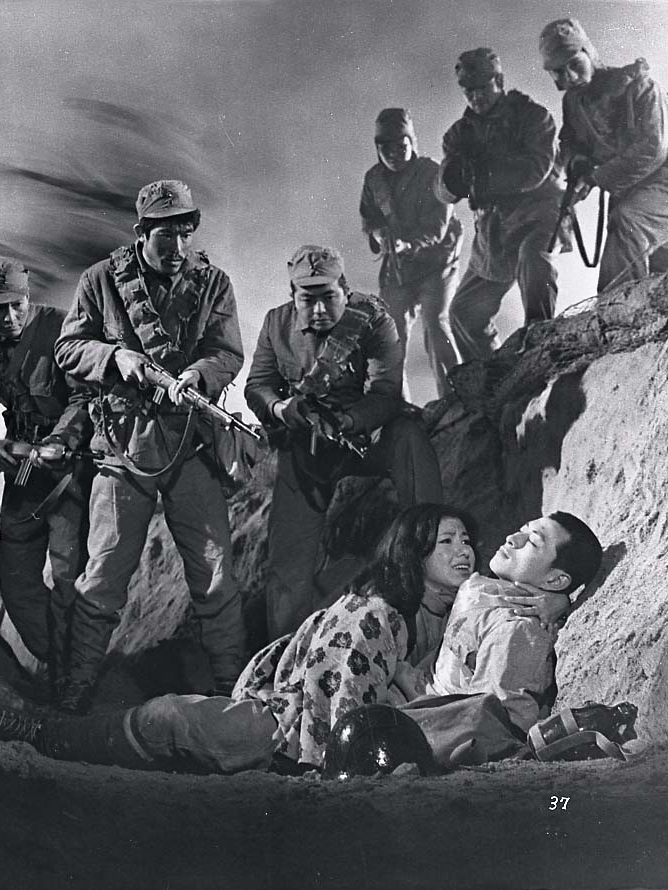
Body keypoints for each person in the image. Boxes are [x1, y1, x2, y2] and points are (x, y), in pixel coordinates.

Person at [0, 504, 534, 774]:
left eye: (466, 540)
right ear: (413, 553)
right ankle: (37, 729)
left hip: (356, 733)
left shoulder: (454, 609)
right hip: (289, 726)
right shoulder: (377, 612)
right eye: (445, 542)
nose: (464, 551)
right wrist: (323, 761)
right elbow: (331, 690)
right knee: (169, 718)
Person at [52, 179, 246, 714]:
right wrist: (116, 359)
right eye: (166, 236)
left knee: (215, 574)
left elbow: (227, 352)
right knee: (104, 574)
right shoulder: (101, 280)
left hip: (190, 443)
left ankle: (233, 688)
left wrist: (199, 374)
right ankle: (76, 687)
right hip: (122, 445)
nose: (178, 247)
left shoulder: (213, 284)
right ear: (142, 232)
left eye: (186, 233)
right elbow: (69, 347)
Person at [245, 244, 443, 639]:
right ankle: (285, 650)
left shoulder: (373, 320)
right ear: (292, 296)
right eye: (308, 299)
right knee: (288, 565)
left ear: (345, 290)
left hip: (365, 435)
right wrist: (283, 409)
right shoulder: (275, 324)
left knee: (409, 437)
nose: (319, 309)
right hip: (307, 447)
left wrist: (349, 421)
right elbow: (258, 386)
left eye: (329, 297)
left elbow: (386, 394)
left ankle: (433, 552)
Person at [0, 258, 93, 699]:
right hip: (20, 470)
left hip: (68, 471)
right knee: (17, 587)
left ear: (28, 297)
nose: (10, 316)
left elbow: (85, 396)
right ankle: (61, 660)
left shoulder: (62, 327)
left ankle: (74, 677)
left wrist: (59, 440)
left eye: (18, 305)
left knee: (71, 579)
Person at [397, 512, 603, 733]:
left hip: (425, 724)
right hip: (409, 695)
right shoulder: (488, 590)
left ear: (554, 580)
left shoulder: (517, 629)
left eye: (533, 542)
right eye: (522, 530)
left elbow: (489, 721)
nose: (512, 539)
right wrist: (562, 600)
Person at [539, 17, 668, 292]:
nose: (571, 77)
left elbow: (652, 149)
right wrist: (578, 163)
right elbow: (570, 141)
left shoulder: (639, 86)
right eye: (559, 72)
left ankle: (614, 311)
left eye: (575, 64)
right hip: (630, 192)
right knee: (658, 278)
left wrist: (595, 178)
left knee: (626, 228)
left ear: (589, 53)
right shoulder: (574, 101)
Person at [438, 48, 565, 363]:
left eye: (483, 88)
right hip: (494, 231)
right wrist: (454, 178)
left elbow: (535, 170)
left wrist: (483, 175)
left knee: (534, 262)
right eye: (469, 91)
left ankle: (540, 348)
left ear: (500, 81)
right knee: (463, 312)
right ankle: (492, 374)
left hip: (539, 217)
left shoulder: (533, 117)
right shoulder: (459, 134)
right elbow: (444, 191)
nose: (476, 97)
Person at [359, 108, 463, 401]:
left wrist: (407, 244)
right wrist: (378, 235)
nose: (394, 155)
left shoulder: (432, 173)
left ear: (412, 143)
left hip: (436, 264)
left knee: (436, 325)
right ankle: (395, 405)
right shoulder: (374, 179)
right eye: (386, 149)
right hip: (398, 270)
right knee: (390, 336)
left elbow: (438, 227)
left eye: (400, 147)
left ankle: (457, 398)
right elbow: (369, 218)